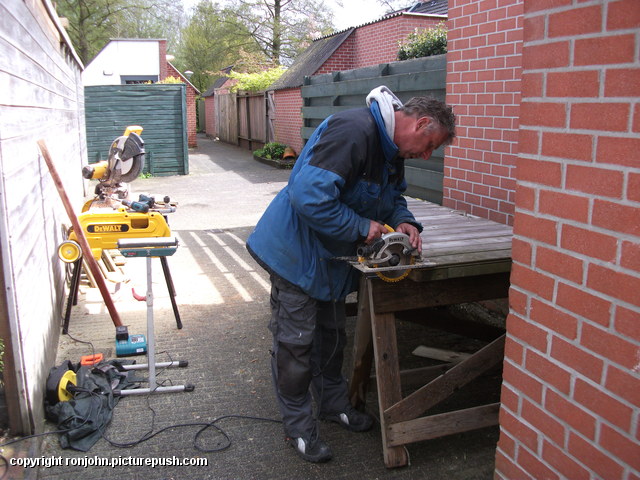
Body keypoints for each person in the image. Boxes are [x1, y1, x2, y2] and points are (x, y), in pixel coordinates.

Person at [246, 86, 456, 463]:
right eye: (428, 145)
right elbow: (307, 195)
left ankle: (332, 405)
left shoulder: (390, 149)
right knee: (297, 344)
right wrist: (363, 227)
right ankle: (298, 426)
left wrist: (403, 221)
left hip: (331, 259)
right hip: (295, 254)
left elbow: (391, 197)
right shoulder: (353, 131)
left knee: (331, 337)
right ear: (420, 123)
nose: (426, 155)